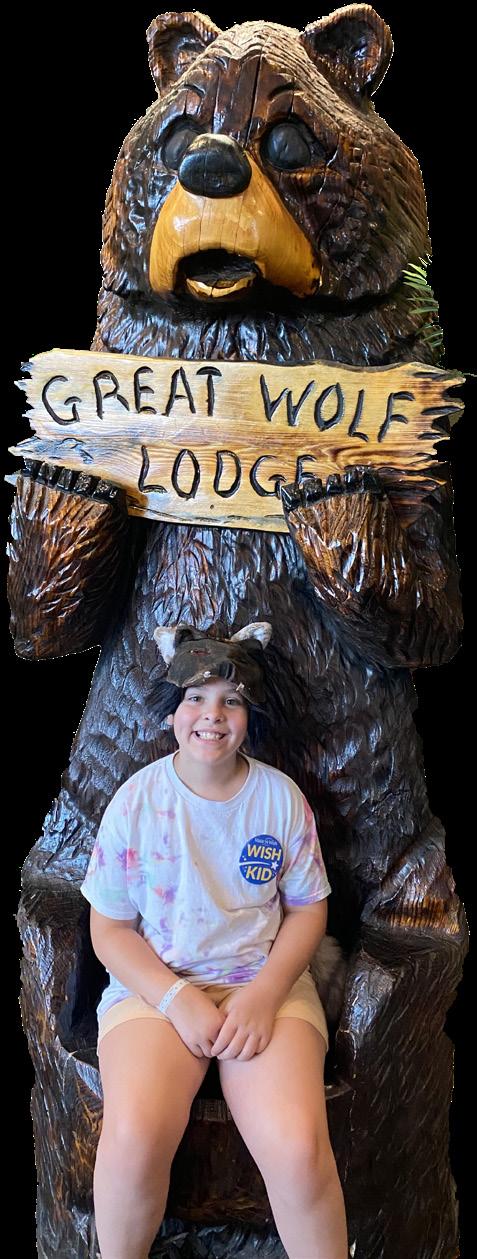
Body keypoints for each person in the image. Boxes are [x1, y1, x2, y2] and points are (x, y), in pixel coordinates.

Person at [80, 621, 349, 1259]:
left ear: (250, 715)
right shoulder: (135, 802)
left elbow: (308, 910)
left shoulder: (280, 800)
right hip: (156, 988)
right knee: (133, 1139)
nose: (212, 714)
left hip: (263, 982)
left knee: (298, 1147)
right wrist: (176, 999)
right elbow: (109, 929)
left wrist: (264, 995)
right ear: (172, 713)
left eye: (231, 699)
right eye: (195, 698)